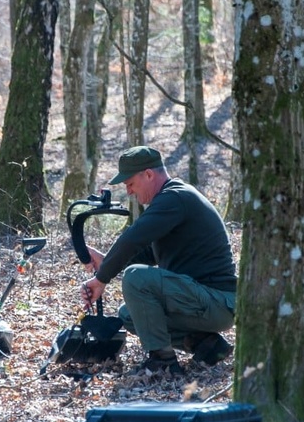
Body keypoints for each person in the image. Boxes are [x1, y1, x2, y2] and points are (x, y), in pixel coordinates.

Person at [80, 145, 237, 375]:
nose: (130, 192)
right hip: (203, 301)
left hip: (218, 301)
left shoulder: (174, 197)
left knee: (136, 277)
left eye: (131, 184)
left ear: (149, 174)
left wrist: (102, 278)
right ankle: (207, 345)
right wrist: (106, 261)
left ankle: (162, 361)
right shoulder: (170, 201)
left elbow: (132, 238)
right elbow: (149, 253)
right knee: (130, 315)